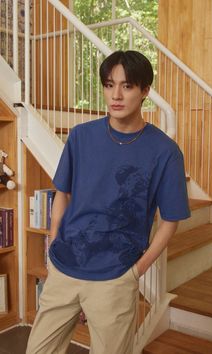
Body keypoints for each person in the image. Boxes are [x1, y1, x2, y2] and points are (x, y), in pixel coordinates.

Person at [26, 50, 190, 354]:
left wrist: (135, 273)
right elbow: (62, 194)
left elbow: (170, 221)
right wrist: (53, 243)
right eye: (108, 84)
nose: (115, 94)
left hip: (115, 277)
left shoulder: (165, 152)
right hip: (65, 266)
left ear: (145, 91)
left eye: (127, 86)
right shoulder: (80, 136)